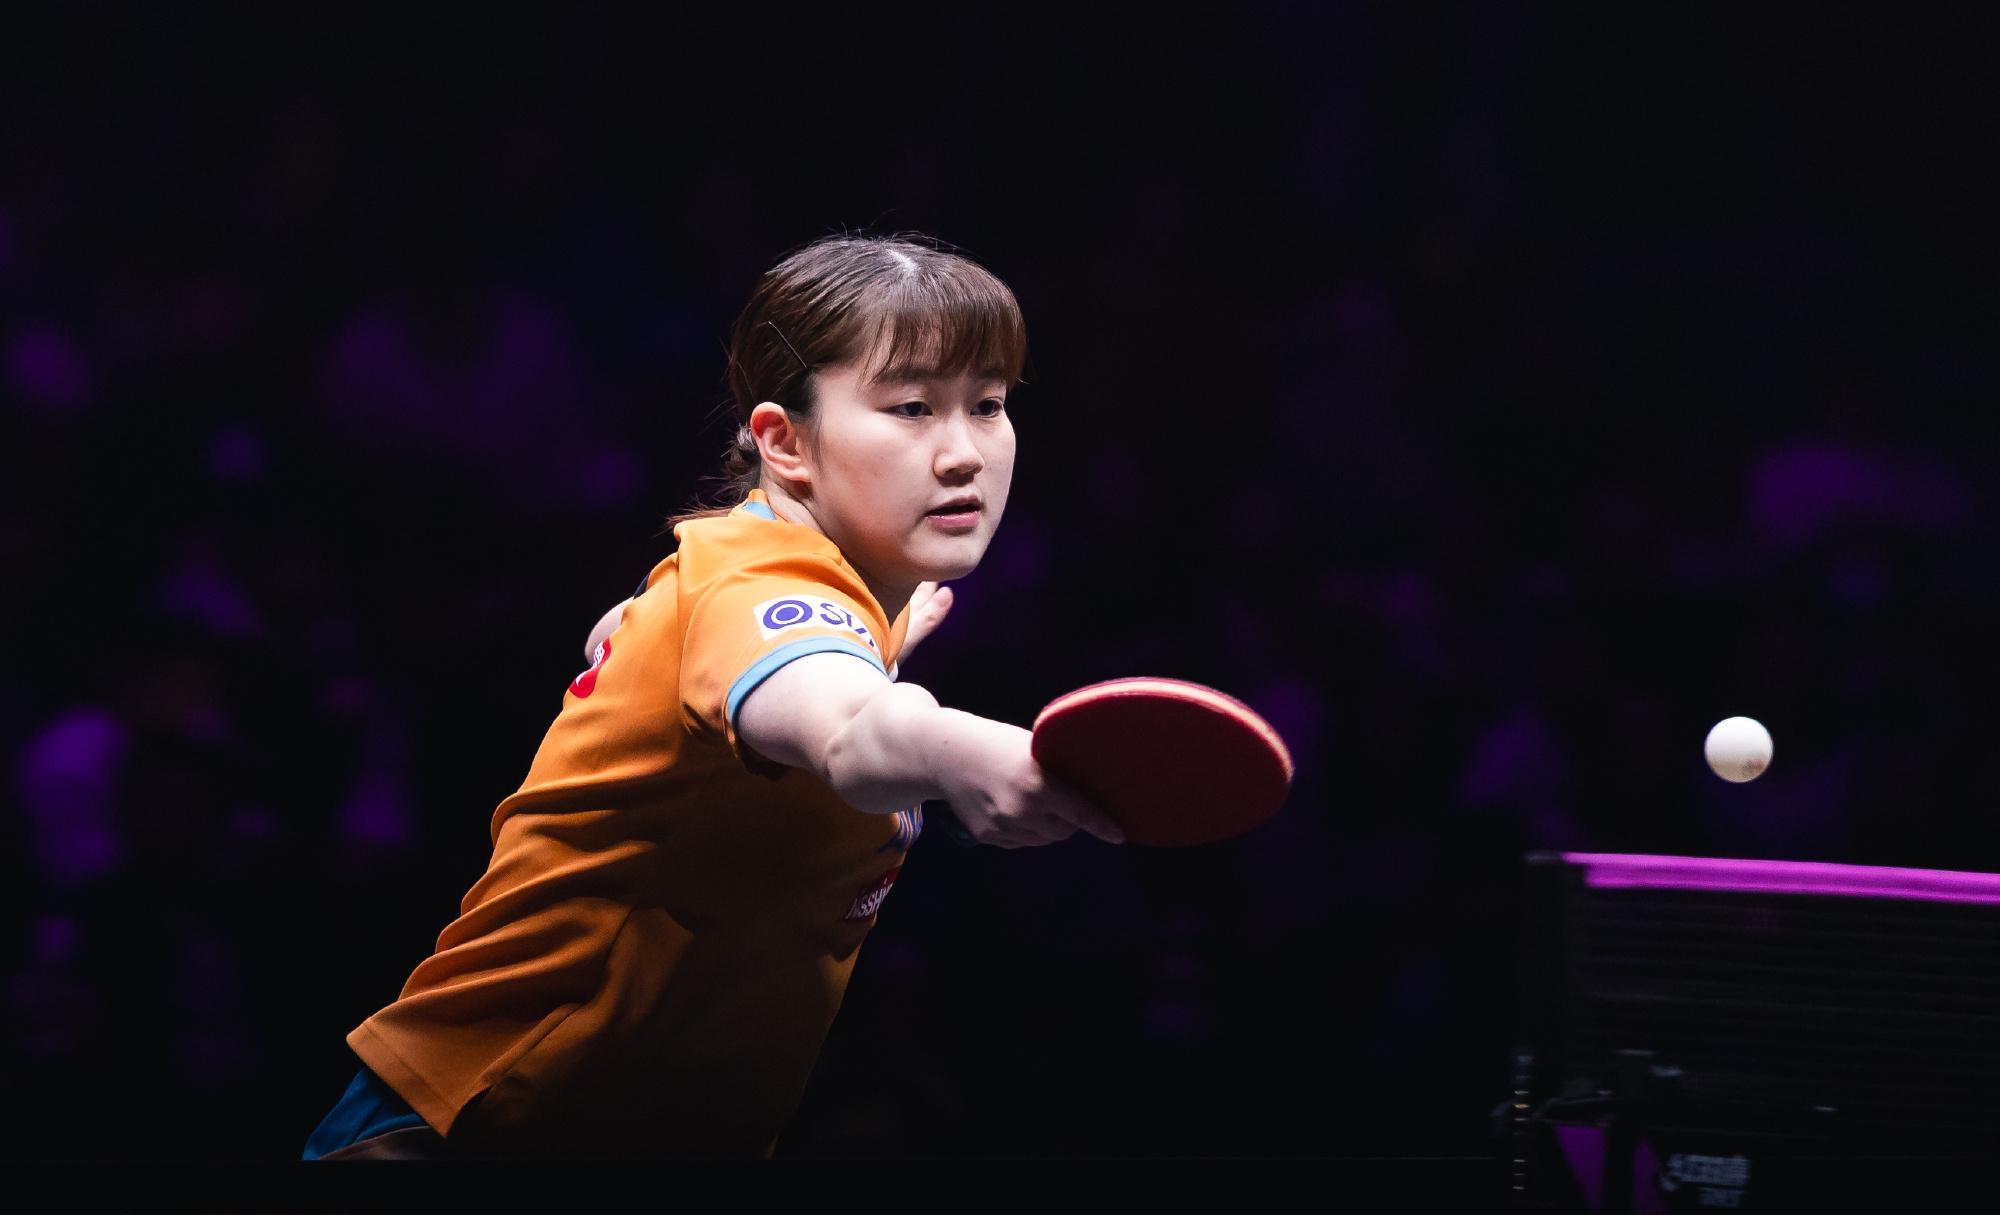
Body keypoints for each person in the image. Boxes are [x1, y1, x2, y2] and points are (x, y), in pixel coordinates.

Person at [302, 232, 1124, 1161]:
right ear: (785, 441)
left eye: (988, 404)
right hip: (464, 1132)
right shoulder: (754, 588)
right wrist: (972, 750)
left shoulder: (776, 589)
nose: (964, 453)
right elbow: (851, 728)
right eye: (911, 407)